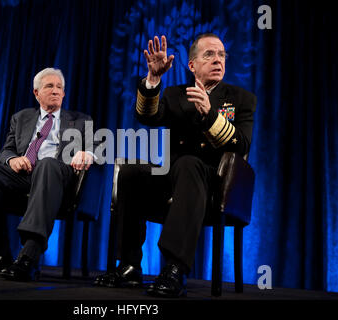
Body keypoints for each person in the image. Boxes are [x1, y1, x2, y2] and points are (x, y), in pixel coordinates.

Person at [94, 33, 256, 297]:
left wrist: (210, 115)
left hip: (214, 185)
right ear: (192, 65)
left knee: (189, 164)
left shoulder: (240, 98)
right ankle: (129, 265)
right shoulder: (174, 94)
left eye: (222, 54)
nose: (218, 60)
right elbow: (146, 116)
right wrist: (153, 80)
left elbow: (241, 145)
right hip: (173, 178)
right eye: (209, 54)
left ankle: (175, 268)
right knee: (131, 171)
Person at [0, 67, 96, 281]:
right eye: (49, 86)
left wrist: (87, 153)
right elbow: (7, 150)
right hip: (23, 175)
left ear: (64, 94)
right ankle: (1, 253)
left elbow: (96, 146)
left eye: (59, 87)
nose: (56, 91)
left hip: (57, 177)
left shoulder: (81, 120)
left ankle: (29, 255)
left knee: (47, 164)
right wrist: (12, 160)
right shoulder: (21, 118)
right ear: (36, 93)